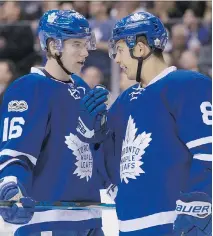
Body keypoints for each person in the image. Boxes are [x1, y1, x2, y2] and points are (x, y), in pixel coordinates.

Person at [76, 12, 212, 236]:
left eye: (119, 50)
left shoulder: (188, 85)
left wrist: (197, 206)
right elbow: (110, 169)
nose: (117, 59)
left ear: (140, 48)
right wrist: (92, 133)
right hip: (128, 226)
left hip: (177, 226)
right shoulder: (124, 101)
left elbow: (208, 151)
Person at [0, 9, 109, 236]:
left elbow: (95, 151)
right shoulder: (29, 88)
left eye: (85, 43)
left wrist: (98, 134)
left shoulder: (81, 87)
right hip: (48, 222)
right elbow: (15, 155)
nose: (85, 52)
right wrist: (11, 190)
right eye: (76, 44)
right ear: (52, 46)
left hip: (90, 219)